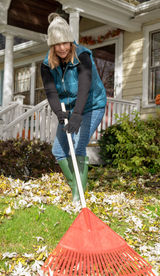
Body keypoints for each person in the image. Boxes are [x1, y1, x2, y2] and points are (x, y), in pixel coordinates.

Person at [41, 13, 107, 203]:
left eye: (66, 43)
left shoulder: (83, 56)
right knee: (59, 151)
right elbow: (51, 92)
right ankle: (76, 188)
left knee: (78, 145)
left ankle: (78, 198)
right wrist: (60, 113)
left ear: (71, 41)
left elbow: (85, 84)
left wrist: (77, 114)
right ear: (52, 45)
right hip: (68, 108)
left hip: (92, 105)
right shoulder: (47, 65)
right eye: (57, 44)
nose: (62, 48)